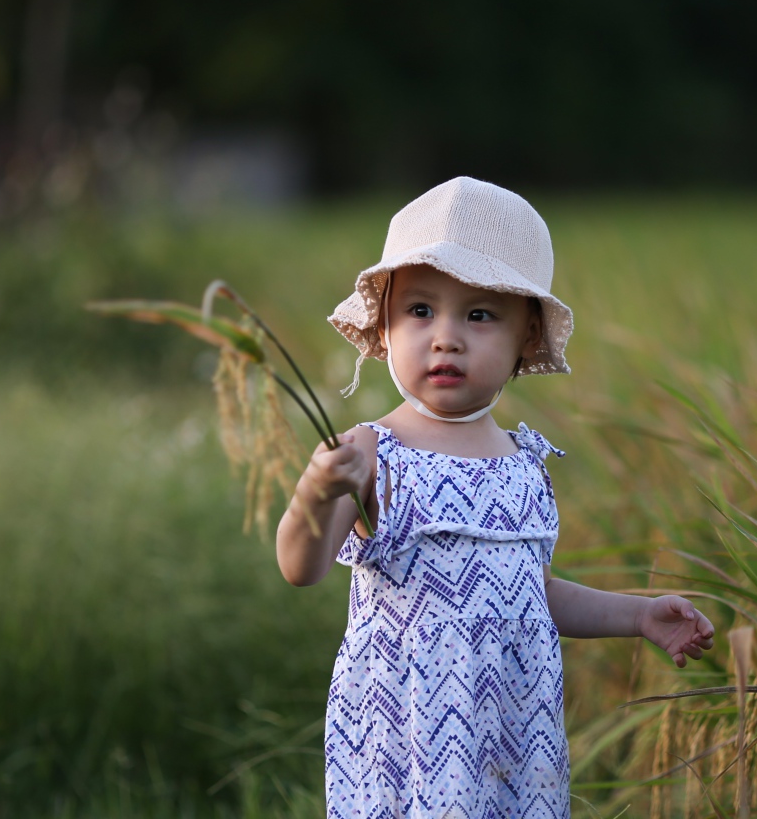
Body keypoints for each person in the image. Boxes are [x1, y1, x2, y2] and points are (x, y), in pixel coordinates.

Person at [276, 176, 715, 818]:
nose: (446, 337)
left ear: (524, 339)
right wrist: (316, 494)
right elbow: (299, 567)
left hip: (512, 726)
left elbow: (527, 594)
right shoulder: (370, 452)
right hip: (412, 730)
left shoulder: (522, 461)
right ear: (385, 325)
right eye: (420, 311)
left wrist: (638, 615)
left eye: (479, 315)